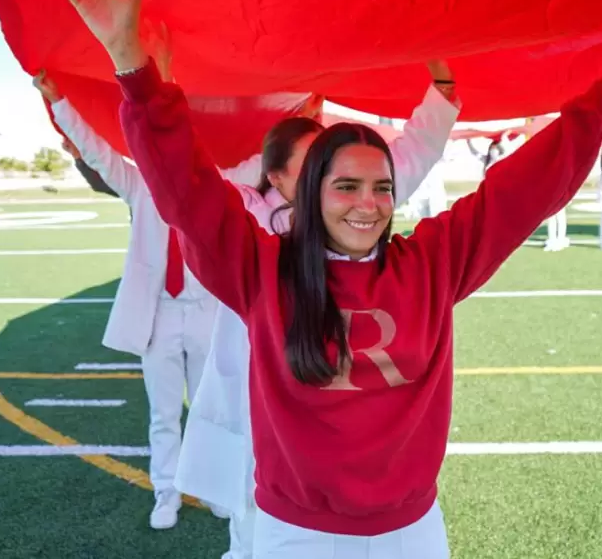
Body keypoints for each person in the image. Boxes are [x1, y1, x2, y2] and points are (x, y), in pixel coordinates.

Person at [54, 0, 602, 557]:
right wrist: (130, 61)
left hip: (412, 531)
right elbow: (184, 191)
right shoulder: (261, 268)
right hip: (294, 534)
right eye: (346, 186)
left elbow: (521, 193)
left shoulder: (431, 263)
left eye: (381, 187)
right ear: (308, 191)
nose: (367, 204)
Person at [179, 61, 459, 559]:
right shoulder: (245, 220)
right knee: (250, 498)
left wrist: (439, 95)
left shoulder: (357, 213)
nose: (343, 184)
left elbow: (409, 160)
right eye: (316, 167)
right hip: (259, 388)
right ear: (279, 176)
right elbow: (187, 191)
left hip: (332, 428)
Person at [33, 68, 264, 531]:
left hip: (206, 313)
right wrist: (59, 102)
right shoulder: (137, 183)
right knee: (163, 414)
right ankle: (166, 493)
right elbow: (95, 147)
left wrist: (307, 114)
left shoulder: (218, 180)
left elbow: (266, 159)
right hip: (157, 316)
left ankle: (217, 488)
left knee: (212, 408)